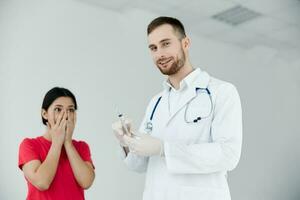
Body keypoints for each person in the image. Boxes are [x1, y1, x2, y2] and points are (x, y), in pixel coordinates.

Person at [112, 16, 242, 200]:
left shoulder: (221, 92)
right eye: (153, 48)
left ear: (186, 43)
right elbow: (138, 165)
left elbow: (228, 155)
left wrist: (165, 149)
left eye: (166, 44)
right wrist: (126, 141)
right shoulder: (156, 102)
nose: (160, 54)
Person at [18, 87, 95, 200]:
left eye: (71, 110)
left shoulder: (81, 147)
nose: (65, 115)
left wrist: (68, 143)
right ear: (45, 114)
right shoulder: (29, 145)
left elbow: (86, 182)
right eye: (58, 109)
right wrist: (57, 143)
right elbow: (42, 182)